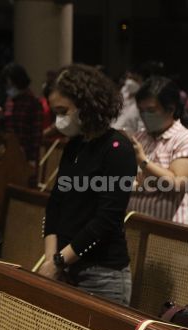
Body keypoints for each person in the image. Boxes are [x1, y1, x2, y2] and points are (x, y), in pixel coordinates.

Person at [38, 64, 136, 305]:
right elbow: (55, 206)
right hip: (66, 267)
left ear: (87, 105)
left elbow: (106, 220)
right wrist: (52, 259)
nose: (59, 120)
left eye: (63, 111)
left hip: (103, 276)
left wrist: (58, 262)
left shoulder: (117, 149)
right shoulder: (74, 145)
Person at [127, 77, 188, 226]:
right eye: (141, 111)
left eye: (150, 111)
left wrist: (143, 161)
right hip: (136, 225)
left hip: (170, 231)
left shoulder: (185, 140)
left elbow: (176, 183)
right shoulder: (140, 137)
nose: (144, 116)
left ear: (170, 109)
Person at [1, 63, 43, 186]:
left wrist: (32, 160)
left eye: (10, 83)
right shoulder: (10, 101)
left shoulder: (33, 103)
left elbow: (36, 135)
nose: (8, 87)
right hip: (9, 153)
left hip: (25, 155)